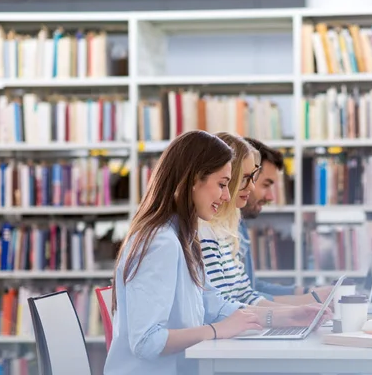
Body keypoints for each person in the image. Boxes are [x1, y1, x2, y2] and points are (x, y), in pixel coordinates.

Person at [104, 130, 330, 375]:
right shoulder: (161, 243)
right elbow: (146, 342)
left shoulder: (183, 237)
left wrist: (287, 317)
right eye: (222, 184)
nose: (226, 195)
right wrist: (216, 331)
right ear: (193, 180)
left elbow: (214, 305)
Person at [240, 137, 334, 305]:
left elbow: (251, 287)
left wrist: (305, 292)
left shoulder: (239, 225)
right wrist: (307, 299)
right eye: (266, 185)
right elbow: (239, 298)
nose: (271, 197)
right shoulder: (214, 231)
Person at [198, 132, 282, 307]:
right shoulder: (202, 231)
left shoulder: (227, 228)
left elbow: (245, 293)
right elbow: (219, 307)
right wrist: (279, 316)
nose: (251, 186)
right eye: (245, 178)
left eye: (253, 178)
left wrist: (293, 313)